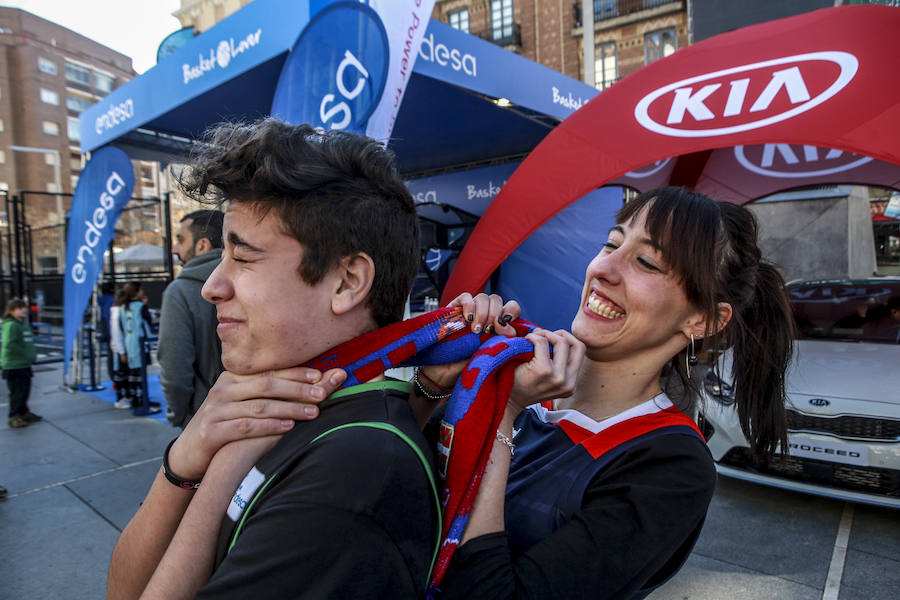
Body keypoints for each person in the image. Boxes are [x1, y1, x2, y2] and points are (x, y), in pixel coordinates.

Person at [107, 118, 436, 599]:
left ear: (347, 282)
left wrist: (219, 472)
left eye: (243, 258)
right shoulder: (265, 409)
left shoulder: (356, 469)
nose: (213, 287)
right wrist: (182, 461)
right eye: (222, 255)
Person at [414, 187, 795, 599]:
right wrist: (432, 384)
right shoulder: (515, 378)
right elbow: (384, 484)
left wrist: (501, 414)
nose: (604, 269)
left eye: (646, 262)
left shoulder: (671, 467)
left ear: (704, 319)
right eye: (611, 243)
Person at [158, 209, 225, 428]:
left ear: (202, 245)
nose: (175, 248)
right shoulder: (250, 281)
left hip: (203, 418)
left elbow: (174, 367)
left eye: (180, 240)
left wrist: (178, 416)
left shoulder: (180, 291)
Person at [118, 281, 160, 414]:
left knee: (133, 372)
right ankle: (142, 399)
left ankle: (134, 398)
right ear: (137, 291)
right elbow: (148, 321)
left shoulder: (123, 307)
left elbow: (121, 326)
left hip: (129, 341)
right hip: (140, 342)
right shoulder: (140, 306)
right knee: (140, 372)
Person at [3, 298, 40, 428]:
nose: (24, 310)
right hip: (14, 365)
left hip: (24, 364)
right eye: (20, 308)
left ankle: (24, 412)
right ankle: (14, 416)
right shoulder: (11, 325)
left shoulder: (23, 323)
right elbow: (9, 344)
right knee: (17, 392)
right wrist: (24, 353)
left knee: (25, 390)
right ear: (12, 311)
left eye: (24, 307)